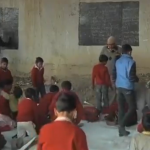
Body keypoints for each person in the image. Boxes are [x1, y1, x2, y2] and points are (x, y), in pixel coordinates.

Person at [112, 44, 139, 136]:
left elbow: (114, 74)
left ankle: (121, 131)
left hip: (119, 87)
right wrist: (137, 79)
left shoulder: (117, 61)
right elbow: (132, 78)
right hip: (127, 87)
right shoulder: (131, 62)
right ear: (129, 51)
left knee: (121, 108)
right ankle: (121, 125)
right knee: (132, 108)